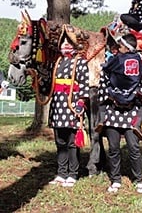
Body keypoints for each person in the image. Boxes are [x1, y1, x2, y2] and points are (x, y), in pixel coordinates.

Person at [97, 33, 142, 194]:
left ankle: (138, 180)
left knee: (133, 147)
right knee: (113, 147)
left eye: (120, 46)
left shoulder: (123, 61)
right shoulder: (119, 62)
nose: (117, 49)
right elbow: (105, 79)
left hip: (131, 110)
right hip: (113, 110)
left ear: (127, 47)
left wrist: (126, 94)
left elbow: (139, 84)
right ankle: (115, 179)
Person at [48, 32, 90, 187]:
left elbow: (84, 84)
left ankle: (73, 173)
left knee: (72, 142)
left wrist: (81, 103)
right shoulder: (57, 62)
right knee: (60, 141)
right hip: (57, 106)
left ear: (74, 46)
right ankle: (61, 173)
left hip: (72, 105)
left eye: (69, 42)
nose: (65, 44)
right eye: (63, 42)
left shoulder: (80, 62)